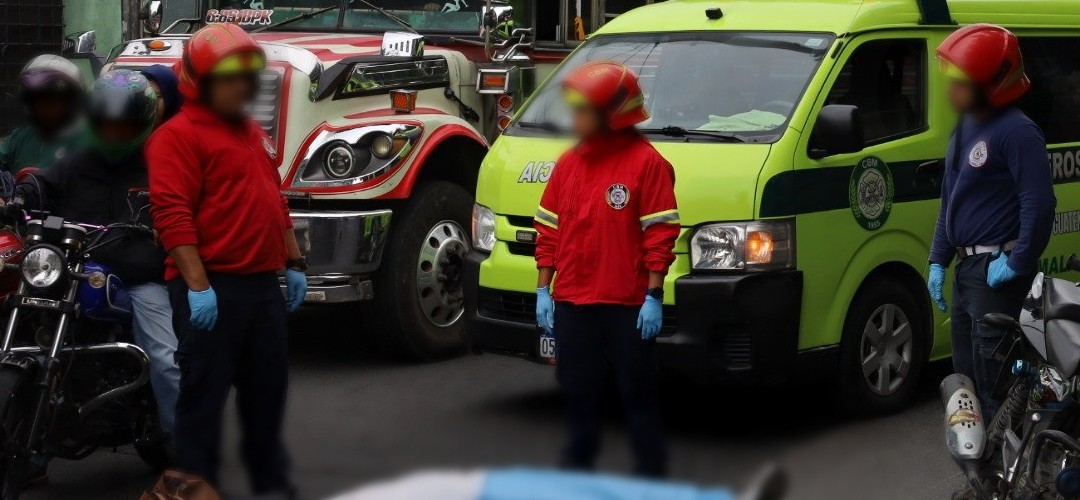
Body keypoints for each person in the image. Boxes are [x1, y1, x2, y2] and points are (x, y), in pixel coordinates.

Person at [145, 23, 306, 495]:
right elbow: (173, 217)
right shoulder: (175, 137)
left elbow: (274, 200)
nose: (244, 85)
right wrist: (198, 288)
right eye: (231, 76)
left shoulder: (247, 131)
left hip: (261, 288)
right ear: (200, 81)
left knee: (265, 397)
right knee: (202, 403)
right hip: (212, 287)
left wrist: (294, 264)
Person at [14, 68, 180, 481]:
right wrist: (19, 195)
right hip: (75, 268)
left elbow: (184, 205)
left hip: (140, 276)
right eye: (104, 122)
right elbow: (43, 187)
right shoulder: (76, 157)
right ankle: (25, 447)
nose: (112, 131)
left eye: (122, 123)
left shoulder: (163, 160)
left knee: (164, 357)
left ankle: (185, 450)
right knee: (22, 332)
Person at [533, 61, 679, 478]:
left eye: (583, 108)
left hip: (626, 303)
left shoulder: (648, 164)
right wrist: (544, 289)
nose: (574, 117)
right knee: (578, 390)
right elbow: (548, 230)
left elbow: (660, 236)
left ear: (613, 113)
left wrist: (653, 296)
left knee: (636, 393)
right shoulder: (568, 164)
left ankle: (650, 471)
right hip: (574, 303)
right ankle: (578, 468)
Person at [927, 24, 1055, 418]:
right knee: (966, 384)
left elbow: (1039, 203)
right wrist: (938, 259)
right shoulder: (964, 127)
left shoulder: (1018, 132)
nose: (951, 91)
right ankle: (983, 476)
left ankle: (1014, 475)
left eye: (960, 83)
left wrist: (1016, 263)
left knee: (997, 382)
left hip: (996, 273)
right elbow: (952, 198)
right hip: (968, 272)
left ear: (990, 84)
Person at [0, 55, 86, 174]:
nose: (44, 106)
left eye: (52, 99)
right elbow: (3, 154)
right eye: (37, 99)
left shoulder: (87, 140)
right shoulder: (23, 136)